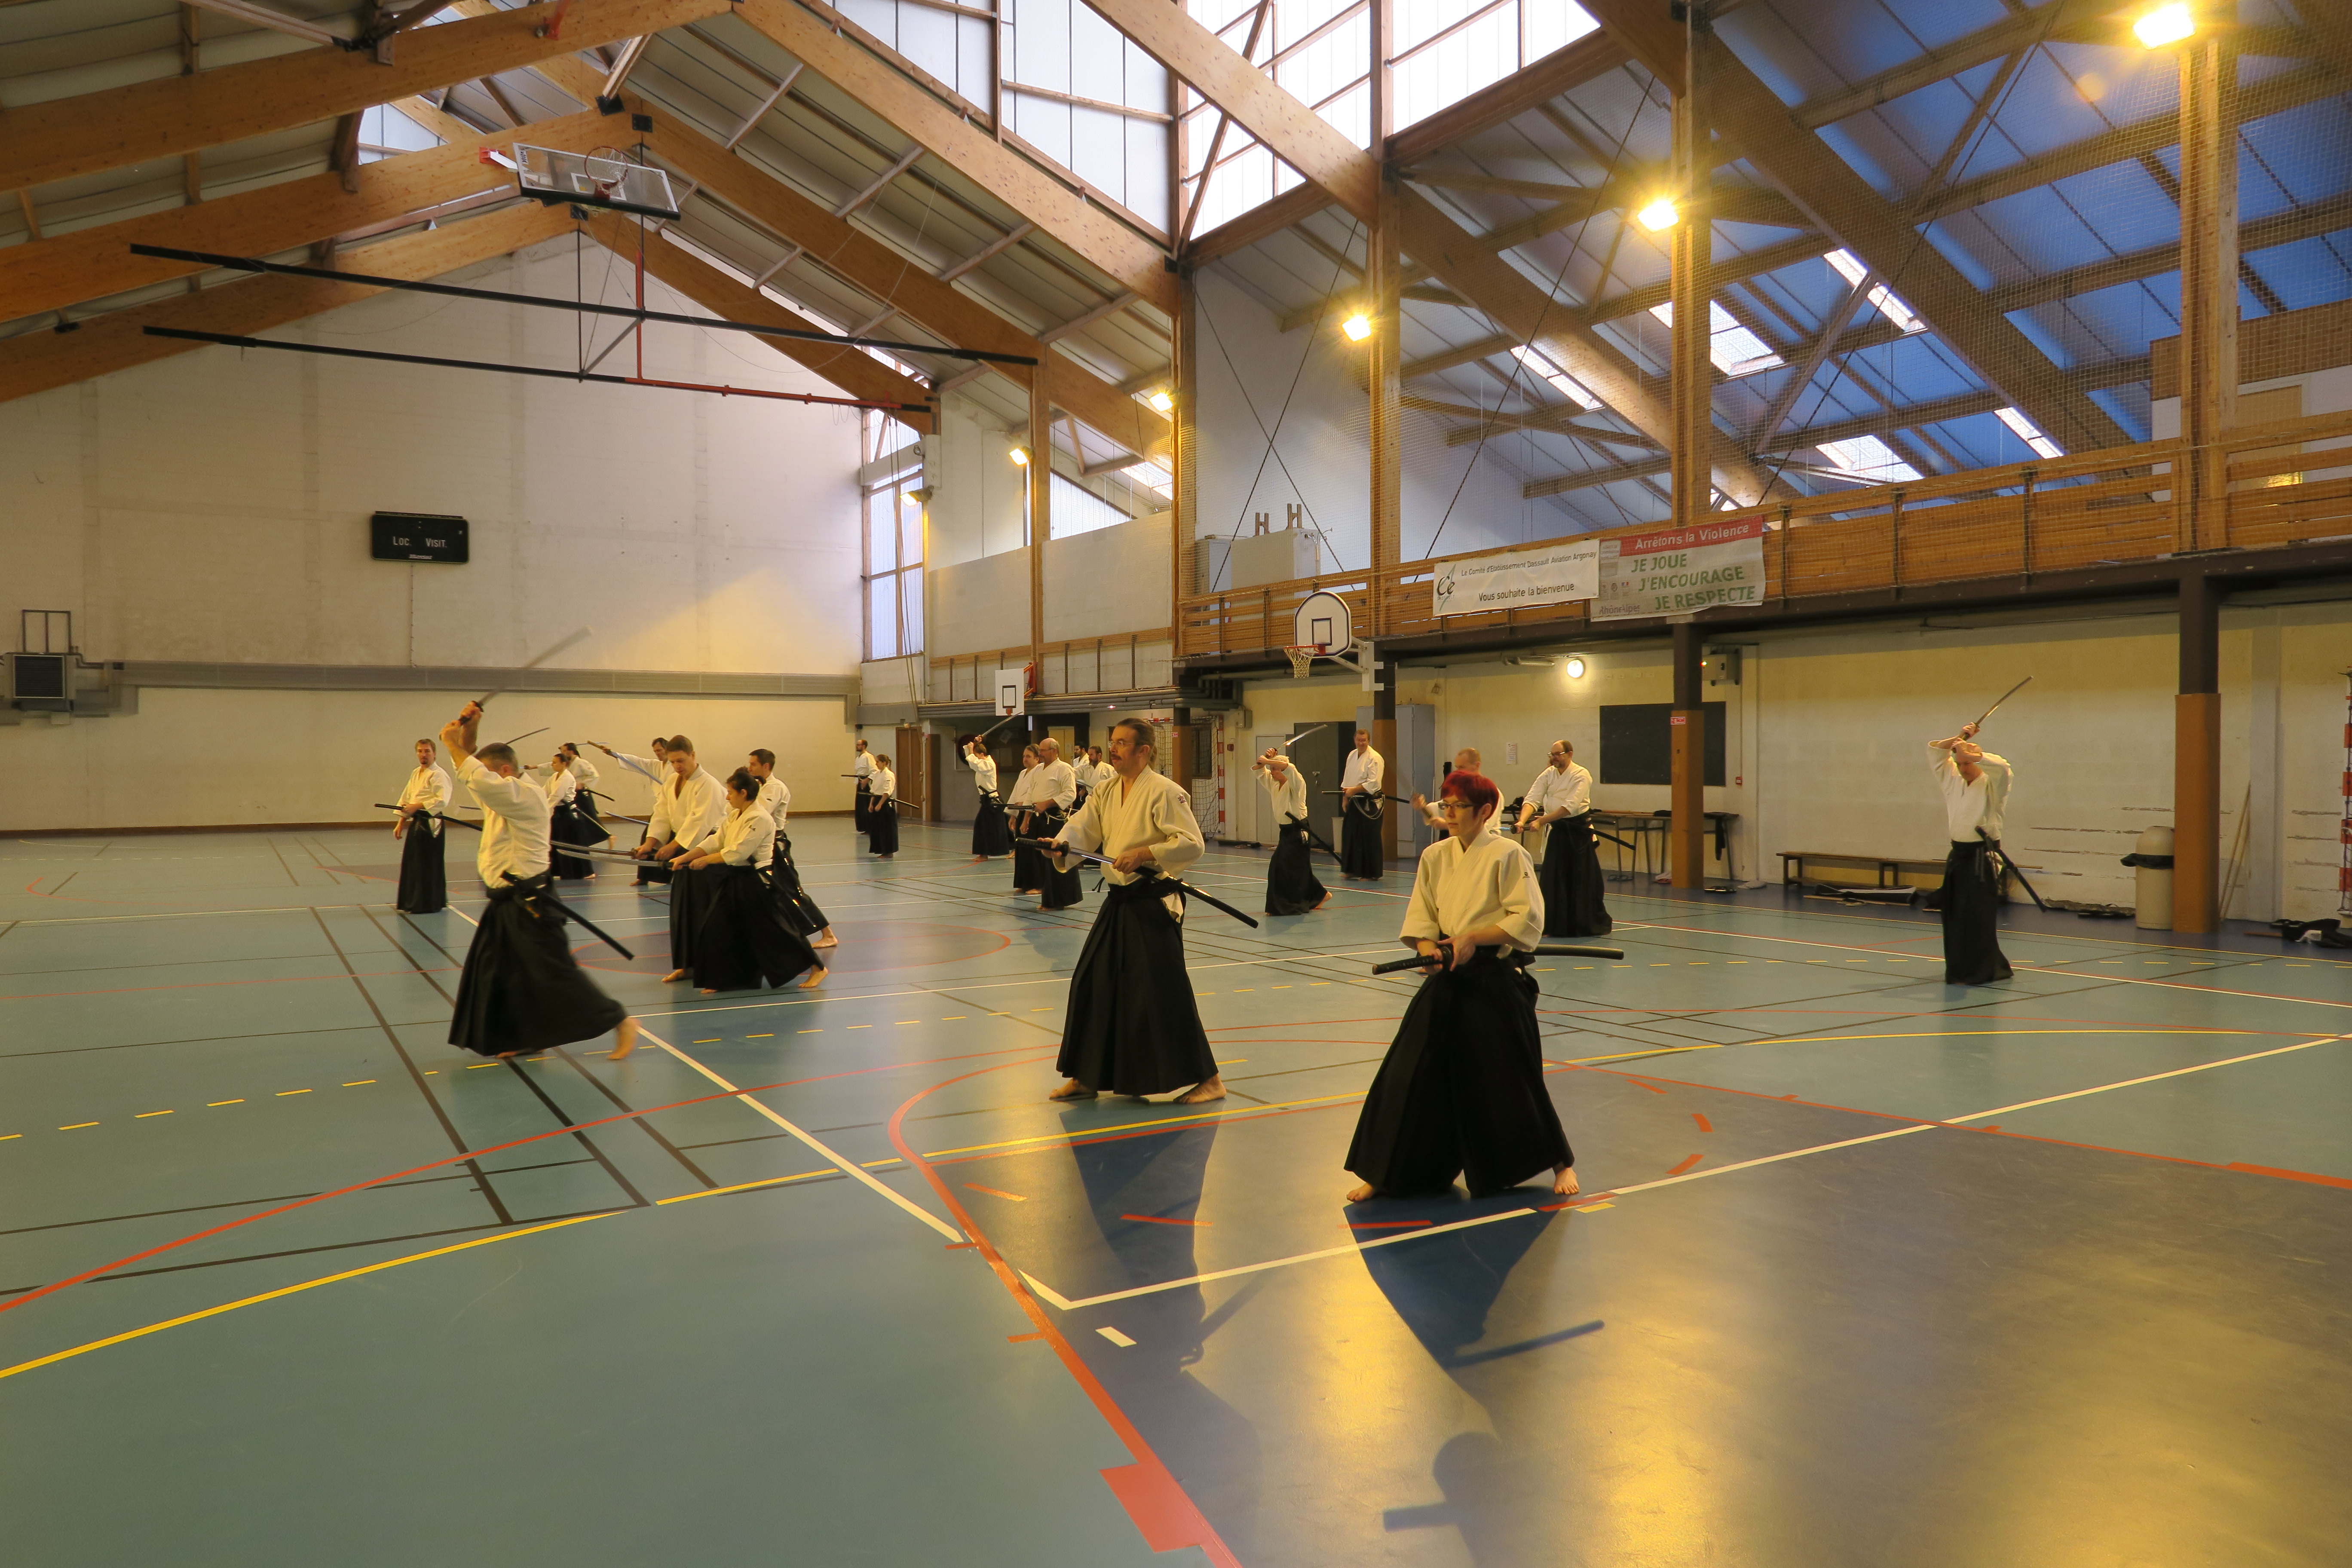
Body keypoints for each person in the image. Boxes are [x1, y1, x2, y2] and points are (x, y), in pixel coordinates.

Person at [1345, 771, 1574, 1203]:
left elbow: (1527, 918)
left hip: (1494, 976)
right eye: (1445, 805)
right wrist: (1430, 950)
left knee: (1512, 1073)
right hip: (1450, 973)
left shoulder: (1508, 854)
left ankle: (1560, 1161)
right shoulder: (1435, 855)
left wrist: (1472, 938)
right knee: (1408, 1071)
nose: (1448, 814)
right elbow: (1423, 917)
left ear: (1485, 811)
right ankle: (1387, 1171)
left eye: (1458, 807)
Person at [438, 704, 638, 1062]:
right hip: (505, 901)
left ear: (505, 771)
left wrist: (451, 743)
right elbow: (472, 773)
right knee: (503, 972)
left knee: (553, 972)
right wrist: (469, 730)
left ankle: (620, 1021)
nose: (486, 780)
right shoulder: (503, 793)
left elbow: (477, 777)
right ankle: (529, 1036)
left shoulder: (525, 795)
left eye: (491, 773)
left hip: (531, 900)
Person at [1046, 718, 1223, 1105]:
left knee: (1163, 991)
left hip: (1152, 903)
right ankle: (1087, 1075)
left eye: (1122, 743)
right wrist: (1060, 845)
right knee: (1092, 982)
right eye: (1112, 742)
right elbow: (1082, 830)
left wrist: (1146, 853)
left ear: (1144, 750)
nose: (1114, 749)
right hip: (1120, 902)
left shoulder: (1166, 792)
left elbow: (1192, 844)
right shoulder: (1106, 790)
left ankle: (1210, 1080)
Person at [677, 768, 826, 994]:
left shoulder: (760, 818)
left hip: (756, 881)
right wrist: (685, 857)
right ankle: (729, 979)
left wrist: (705, 861)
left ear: (743, 793)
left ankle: (818, 968)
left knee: (777, 930)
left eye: (730, 792)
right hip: (735, 878)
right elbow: (717, 841)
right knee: (716, 926)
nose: (727, 797)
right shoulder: (735, 815)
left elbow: (738, 852)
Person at [1930, 723, 2015, 986]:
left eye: (1968, 763)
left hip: (1982, 859)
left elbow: (2003, 768)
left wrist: (1973, 753)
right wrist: (1959, 738)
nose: (1963, 768)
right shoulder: (1953, 780)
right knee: (1954, 915)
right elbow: (1937, 753)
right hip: (1959, 857)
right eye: (1960, 763)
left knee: (1977, 917)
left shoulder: (1993, 784)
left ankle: (1983, 970)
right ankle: (1958, 969)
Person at [1517, 739, 1611, 937]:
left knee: (1580, 879)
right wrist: (1522, 820)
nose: (1554, 758)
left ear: (1570, 754)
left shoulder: (1581, 774)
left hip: (1578, 833)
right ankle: (1552, 925)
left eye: (1558, 754)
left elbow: (1569, 807)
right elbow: (1533, 798)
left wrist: (1541, 821)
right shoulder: (1548, 774)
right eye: (1552, 754)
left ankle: (1582, 924)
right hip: (1558, 832)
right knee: (1553, 878)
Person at [747, 748, 838, 949]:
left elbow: (760, 813)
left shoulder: (775, 787)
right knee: (768, 892)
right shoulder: (759, 786)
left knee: (792, 890)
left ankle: (828, 934)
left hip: (776, 846)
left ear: (766, 766)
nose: (750, 768)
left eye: (753, 764)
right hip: (760, 845)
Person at [631, 736, 722, 891]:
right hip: (683, 836)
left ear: (693, 755)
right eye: (673, 762)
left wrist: (673, 846)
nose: (677, 766)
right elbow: (662, 814)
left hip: (705, 840)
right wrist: (649, 844)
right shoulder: (672, 781)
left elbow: (699, 823)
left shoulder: (708, 784)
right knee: (651, 841)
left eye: (681, 761)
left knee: (694, 889)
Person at [1254, 746, 1327, 916]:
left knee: (1281, 867)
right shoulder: (1274, 783)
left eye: (1274, 769)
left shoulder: (1296, 783)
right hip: (1285, 831)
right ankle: (1321, 896)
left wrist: (1269, 761)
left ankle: (1288, 906)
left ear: (1282, 770)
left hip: (1298, 830)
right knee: (1299, 867)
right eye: (1271, 769)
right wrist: (1265, 758)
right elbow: (1259, 771)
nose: (1271, 772)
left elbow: (1290, 768)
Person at [588, 738, 670, 885]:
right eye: (655, 751)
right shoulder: (655, 766)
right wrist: (615, 755)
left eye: (660, 750)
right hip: (662, 809)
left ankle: (671, 876)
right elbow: (638, 762)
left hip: (676, 811)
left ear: (668, 749)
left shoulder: (675, 767)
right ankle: (644, 877)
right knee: (648, 839)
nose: (657, 754)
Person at [393, 737, 453, 914]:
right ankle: (413, 902)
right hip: (417, 822)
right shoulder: (416, 773)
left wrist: (417, 806)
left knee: (428, 864)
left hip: (431, 824)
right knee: (414, 863)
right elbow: (407, 800)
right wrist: (400, 823)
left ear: (435, 754)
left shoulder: (438, 774)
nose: (423, 755)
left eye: (427, 751)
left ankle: (428, 903)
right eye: (420, 751)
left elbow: (442, 800)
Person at [1032, 738, 1084, 912]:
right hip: (1040, 817)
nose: (1040, 753)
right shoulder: (1038, 769)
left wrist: (1047, 804)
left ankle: (1058, 901)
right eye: (1040, 750)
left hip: (1055, 819)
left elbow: (1070, 794)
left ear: (1054, 751)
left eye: (1043, 750)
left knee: (1056, 860)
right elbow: (1032, 793)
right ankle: (1048, 899)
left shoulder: (1064, 768)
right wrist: (1025, 817)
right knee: (1044, 861)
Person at [541, 747, 605, 881]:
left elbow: (556, 796)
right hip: (559, 814)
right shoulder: (554, 777)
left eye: (555, 763)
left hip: (569, 815)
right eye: (552, 762)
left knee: (574, 844)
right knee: (557, 842)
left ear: (564, 764)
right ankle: (559, 871)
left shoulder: (567, 777)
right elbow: (544, 792)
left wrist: (544, 810)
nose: (552, 765)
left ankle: (585, 872)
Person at [1339, 728, 1386, 879]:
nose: (1361, 743)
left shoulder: (1375, 758)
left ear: (1369, 741)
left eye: (1364, 740)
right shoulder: (1352, 755)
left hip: (1370, 802)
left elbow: (1374, 783)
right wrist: (1345, 798)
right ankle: (1352, 870)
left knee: (1369, 837)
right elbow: (1347, 778)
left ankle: (1371, 873)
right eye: (1359, 740)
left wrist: (1354, 790)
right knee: (1351, 834)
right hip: (1354, 799)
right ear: (1355, 740)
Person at [1005, 744, 1045, 894]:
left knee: (1032, 851)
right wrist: (1013, 815)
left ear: (1037, 758)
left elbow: (1037, 793)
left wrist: (1025, 804)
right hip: (1021, 812)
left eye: (1028, 756)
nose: (1025, 759)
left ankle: (1038, 884)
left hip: (1032, 813)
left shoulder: (1040, 772)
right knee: (1022, 850)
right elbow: (1015, 794)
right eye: (1024, 756)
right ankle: (1024, 882)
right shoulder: (1023, 773)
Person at [1413, 747, 1482, 833]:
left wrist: (1446, 825)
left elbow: (1482, 827)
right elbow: (1442, 808)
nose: (1458, 772)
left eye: (1462, 767)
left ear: (1477, 766)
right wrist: (1422, 807)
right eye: (1457, 768)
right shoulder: (1460, 790)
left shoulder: (1488, 793)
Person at [966, 736, 1011, 861]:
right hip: (988, 800)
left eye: (976, 755)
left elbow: (975, 763)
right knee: (1001, 825)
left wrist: (971, 751)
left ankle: (984, 854)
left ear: (982, 755)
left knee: (982, 826)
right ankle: (1013, 848)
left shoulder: (989, 764)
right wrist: (974, 744)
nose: (975, 758)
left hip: (992, 800)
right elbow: (972, 763)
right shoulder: (981, 764)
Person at [867, 753, 899, 858]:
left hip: (885, 803)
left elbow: (887, 792)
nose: (876, 764)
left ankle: (888, 852)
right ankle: (880, 849)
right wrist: (871, 804)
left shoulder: (889, 775)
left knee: (886, 829)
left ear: (884, 763)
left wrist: (880, 804)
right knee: (877, 828)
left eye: (878, 762)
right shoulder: (877, 774)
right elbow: (874, 791)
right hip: (876, 800)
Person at [851, 739, 875, 832]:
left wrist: (867, 780)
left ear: (864, 746)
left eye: (859, 745)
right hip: (860, 782)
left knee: (866, 805)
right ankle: (863, 827)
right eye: (857, 744)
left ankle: (870, 828)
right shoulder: (858, 758)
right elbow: (858, 772)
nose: (857, 746)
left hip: (866, 783)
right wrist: (857, 783)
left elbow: (875, 771)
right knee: (860, 806)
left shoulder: (869, 757)